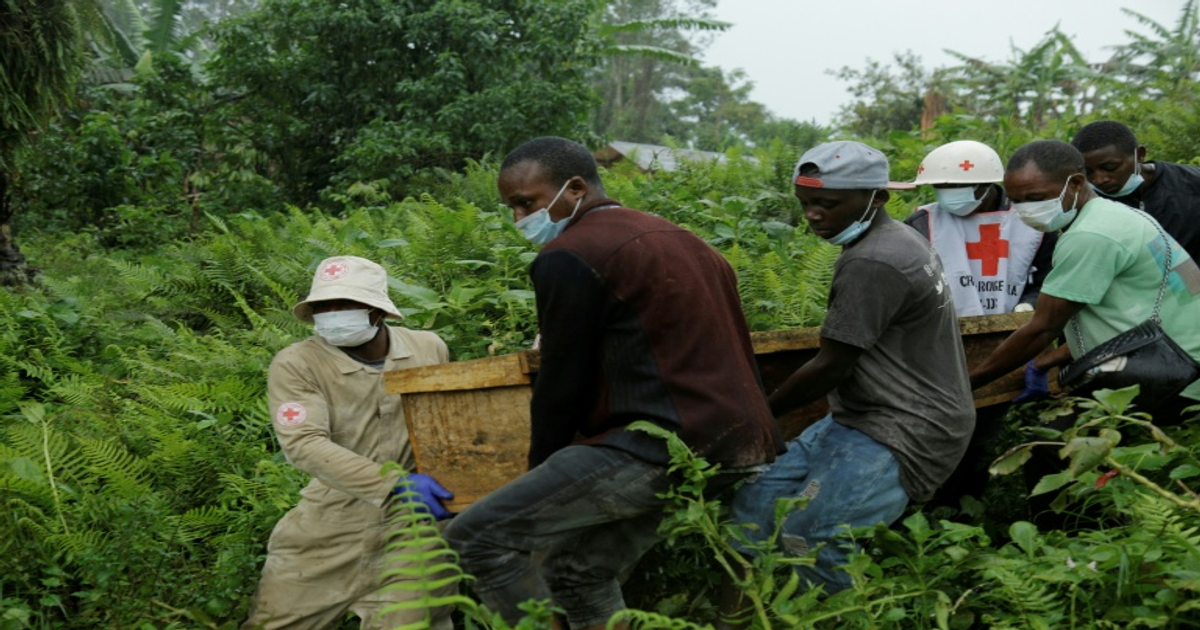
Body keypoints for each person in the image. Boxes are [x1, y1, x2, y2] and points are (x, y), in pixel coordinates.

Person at [442, 136, 782, 630]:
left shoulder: (569, 253)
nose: (519, 219)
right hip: (738, 443)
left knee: (477, 536)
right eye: (511, 207)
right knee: (575, 574)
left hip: (657, 443)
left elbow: (562, 381)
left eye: (526, 203)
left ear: (575, 188)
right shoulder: (689, 242)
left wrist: (542, 471)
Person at [726, 141, 976, 602]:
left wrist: (760, 415)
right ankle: (740, 616)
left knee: (814, 537)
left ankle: (835, 614)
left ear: (876, 197)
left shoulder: (874, 259)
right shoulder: (891, 237)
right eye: (805, 205)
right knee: (751, 509)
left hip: (907, 424)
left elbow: (831, 365)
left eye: (826, 204)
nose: (813, 216)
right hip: (859, 416)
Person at [242, 255, 456, 630]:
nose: (333, 313)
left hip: (414, 531)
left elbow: (447, 425)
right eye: (324, 305)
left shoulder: (427, 349)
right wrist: (394, 484)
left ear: (377, 310)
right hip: (329, 527)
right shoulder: (298, 364)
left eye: (346, 303)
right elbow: (304, 444)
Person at [969, 140, 1200, 415]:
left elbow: (1044, 328)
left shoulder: (1090, 235)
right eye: (1016, 200)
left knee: (1053, 456)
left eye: (1035, 198)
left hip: (1170, 379)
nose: (1025, 209)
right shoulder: (1116, 215)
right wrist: (1045, 362)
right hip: (1174, 362)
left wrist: (968, 384)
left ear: (1076, 183)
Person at [905, 140, 1055, 315]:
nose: (948, 193)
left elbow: (1049, 278)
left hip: (1020, 330)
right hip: (946, 332)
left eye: (957, 186)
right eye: (940, 187)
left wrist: (1029, 304)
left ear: (986, 183)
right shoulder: (922, 224)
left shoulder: (1031, 221)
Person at [1071, 120, 1200, 261]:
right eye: (1088, 172)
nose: (1099, 179)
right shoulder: (1083, 205)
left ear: (1139, 155)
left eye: (1110, 167)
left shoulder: (1191, 183)